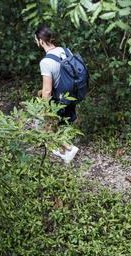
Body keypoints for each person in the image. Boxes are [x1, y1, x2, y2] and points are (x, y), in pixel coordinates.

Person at [34, 24, 79, 163]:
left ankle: (69, 148)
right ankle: (64, 147)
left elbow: (47, 90)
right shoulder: (65, 50)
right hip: (72, 93)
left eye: (36, 39)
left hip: (59, 98)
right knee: (66, 121)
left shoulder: (46, 62)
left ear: (41, 41)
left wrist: (44, 109)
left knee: (49, 124)